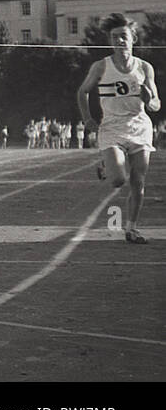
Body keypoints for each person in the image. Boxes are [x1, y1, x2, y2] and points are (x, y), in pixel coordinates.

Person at [76, 15, 160, 244]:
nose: (119, 41)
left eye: (123, 36)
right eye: (114, 37)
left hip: (139, 127)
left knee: (138, 181)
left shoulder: (144, 67)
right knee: (117, 181)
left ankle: (131, 228)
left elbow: (156, 105)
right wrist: (87, 118)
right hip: (112, 127)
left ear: (133, 38)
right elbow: (82, 91)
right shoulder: (101, 66)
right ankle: (106, 165)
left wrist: (148, 97)